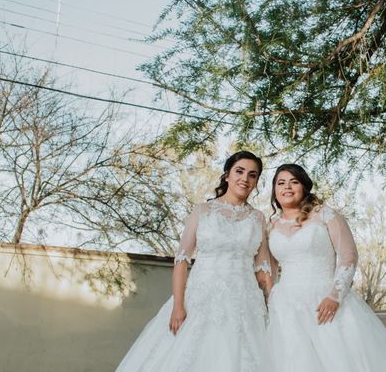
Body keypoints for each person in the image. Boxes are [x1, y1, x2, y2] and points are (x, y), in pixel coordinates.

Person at [116, 151, 272, 372]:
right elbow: (181, 260)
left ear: (256, 181)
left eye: (252, 175)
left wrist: (273, 304)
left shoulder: (258, 218)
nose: (245, 179)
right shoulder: (203, 210)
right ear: (227, 175)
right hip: (201, 297)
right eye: (239, 171)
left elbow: (263, 268)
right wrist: (178, 305)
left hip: (245, 302)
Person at [266, 163, 386, 372]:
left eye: (294, 182)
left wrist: (335, 296)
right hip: (286, 306)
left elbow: (348, 256)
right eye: (281, 183)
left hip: (325, 300)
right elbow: (269, 270)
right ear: (274, 190)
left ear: (304, 187)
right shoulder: (271, 225)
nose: (287, 187)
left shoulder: (325, 214)